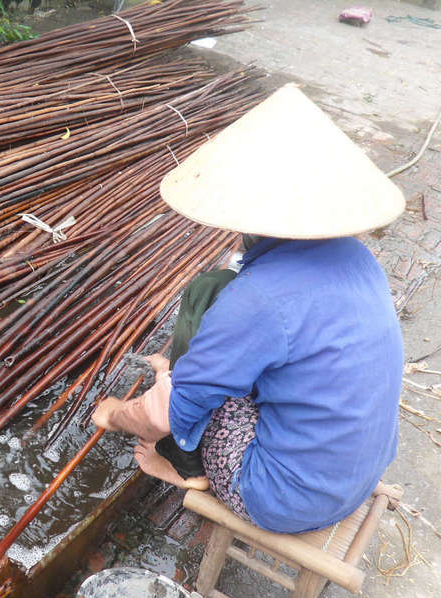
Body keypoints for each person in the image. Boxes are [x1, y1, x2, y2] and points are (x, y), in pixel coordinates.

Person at [91, 84, 405, 534]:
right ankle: (187, 381)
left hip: (286, 500)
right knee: (226, 333)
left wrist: (115, 413)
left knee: (199, 335)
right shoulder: (358, 258)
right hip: (357, 473)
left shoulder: (258, 299)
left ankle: (186, 468)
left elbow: (165, 414)